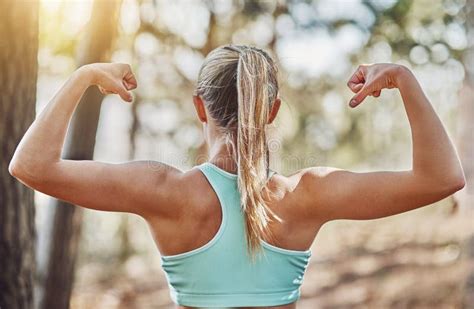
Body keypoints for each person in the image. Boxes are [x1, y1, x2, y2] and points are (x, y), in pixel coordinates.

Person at [9, 44, 465, 308]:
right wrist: (404, 79)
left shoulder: (163, 191)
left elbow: (30, 165)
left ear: (199, 108)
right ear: (272, 112)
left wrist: (84, 76)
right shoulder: (307, 195)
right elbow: (441, 178)